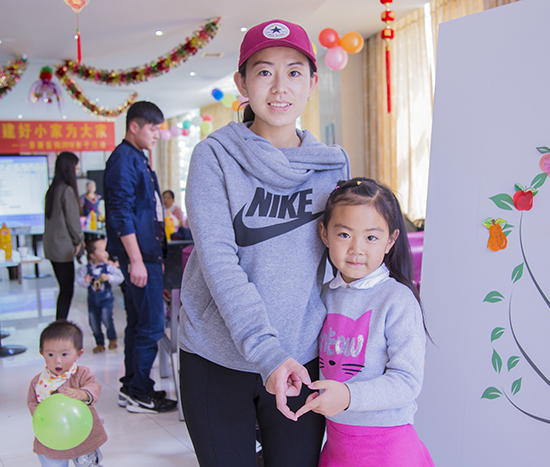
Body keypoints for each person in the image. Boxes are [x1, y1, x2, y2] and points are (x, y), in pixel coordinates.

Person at [178, 19, 350, 467]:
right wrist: (268, 354)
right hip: (217, 357)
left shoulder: (331, 166)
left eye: (294, 72)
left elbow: (343, 262)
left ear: (312, 82)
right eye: (264, 72)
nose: (280, 87)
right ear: (242, 83)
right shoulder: (214, 156)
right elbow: (219, 261)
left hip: (301, 355)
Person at [295, 177, 434, 467]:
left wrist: (348, 396)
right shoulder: (324, 294)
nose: (357, 249)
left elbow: (407, 381)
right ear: (324, 234)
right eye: (345, 235)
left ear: (390, 240)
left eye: (371, 238)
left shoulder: (397, 300)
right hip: (337, 443)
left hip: (388, 448)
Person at [104, 100, 177, 414]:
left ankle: (132, 387)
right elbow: (120, 212)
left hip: (146, 255)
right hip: (141, 257)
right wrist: (136, 260)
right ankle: (139, 392)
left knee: (138, 323)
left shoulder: (136, 158)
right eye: (153, 128)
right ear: (134, 126)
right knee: (151, 325)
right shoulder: (124, 159)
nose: (157, 134)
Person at [27, 320, 108, 466]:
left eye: (64, 354)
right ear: (42, 353)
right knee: (52, 460)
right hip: (53, 434)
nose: (57, 361)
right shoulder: (38, 382)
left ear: (78, 354)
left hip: (82, 433)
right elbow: (32, 403)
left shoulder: (81, 373)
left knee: (87, 462)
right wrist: (44, 417)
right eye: (50, 354)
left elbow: (94, 386)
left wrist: (82, 394)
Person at [44, 152, 84, 320]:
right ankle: (60, 325)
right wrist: (79, 241)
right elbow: (73, 222)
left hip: (52, 247)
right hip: (63, 248)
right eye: (76, 169)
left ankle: (60, 323)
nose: (77, 172)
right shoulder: (67, 190)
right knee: (67, 290)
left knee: (63, 288)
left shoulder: (52, 189)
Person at [77, 238, 124, 353]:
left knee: (107, 318)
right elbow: (79, 282)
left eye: (106, 250)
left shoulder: (108, 267)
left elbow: (121, 277)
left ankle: (112, 339)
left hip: (106, 299)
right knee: (93, 322)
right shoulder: (86, 269)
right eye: (102, 251)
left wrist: (109, 278)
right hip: (92, 301)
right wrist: (85, 281)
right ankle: (99, 343)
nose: (106, 253)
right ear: (92, 255)